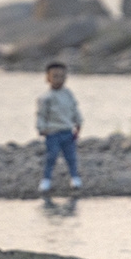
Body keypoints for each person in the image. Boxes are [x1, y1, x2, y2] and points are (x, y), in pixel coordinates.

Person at [36, 61, 82, 193]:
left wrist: (78, 122)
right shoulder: (46, 98)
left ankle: (75, 178)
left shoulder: (68, 94)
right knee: (51, 157)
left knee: (71, 157)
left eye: (62, 76)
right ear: (48, 78)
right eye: (55, 76)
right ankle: (46, 180)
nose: (58, 80)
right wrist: (41, 128)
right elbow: (41, 115)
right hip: (52, 132)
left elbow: (74, 109)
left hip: (67, 131)